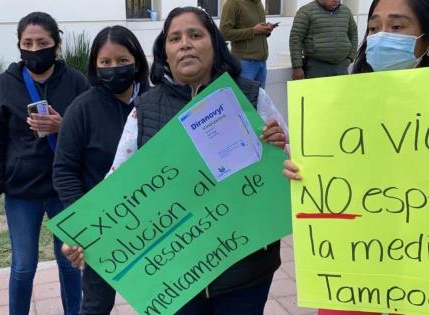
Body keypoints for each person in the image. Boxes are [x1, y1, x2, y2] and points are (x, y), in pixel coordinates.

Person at [63, 6, 288, 315]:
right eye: (175, 38)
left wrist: (281, 150)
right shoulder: (144, 111)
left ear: (215, 44)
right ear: (164, 52)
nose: (185, 44)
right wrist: (83, 236)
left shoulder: (251, 98)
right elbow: (116, 186)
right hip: (176, 276)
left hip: (244, 270)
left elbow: (293, 168)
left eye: (196, 34)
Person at [284, 0, 429, 314]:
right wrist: (304, 170)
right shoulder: (343, 106)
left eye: (398, 27)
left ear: (425, 39)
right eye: (374, 28)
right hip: (357, 266)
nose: (381, 37)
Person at [0, 12, 89, 315]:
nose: (35, 49)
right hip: (22, 191)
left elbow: (94, 133)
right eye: (28, 43)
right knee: (22, 266)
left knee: (70, 264)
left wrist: (64, 126)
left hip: (66, 189)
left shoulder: (76, 81)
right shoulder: (4, 85)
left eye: (43, 42)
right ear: (19, 45)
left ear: (56, 44)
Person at [53, 25, 149, 315]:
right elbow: (64, 170)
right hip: (103, 228)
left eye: (122, 60)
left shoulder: (155, 103)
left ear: (137, 61)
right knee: (97, 304)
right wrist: (85, 222)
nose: (114, 68)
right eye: (105, 62)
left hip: (156, 221)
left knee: (166, 298)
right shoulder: (81, 109)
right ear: (94, 65)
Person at [289, 0, 358, 80]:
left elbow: (353, 34)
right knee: (317, 92)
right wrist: (297, 67)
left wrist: (350, 57)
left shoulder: (346, 11)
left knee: (340, 92)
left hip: (341, 66)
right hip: (316, 67)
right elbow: (296, 39)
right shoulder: (306, 11)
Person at [220, 0, 278, 88]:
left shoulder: (258, 3)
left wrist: (266, 29)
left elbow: (255, 29)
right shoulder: (233, 3)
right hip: (244, 62)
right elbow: (224, 33)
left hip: (262, 61)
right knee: (243, 100)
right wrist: (253, 31)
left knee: (259, 100)